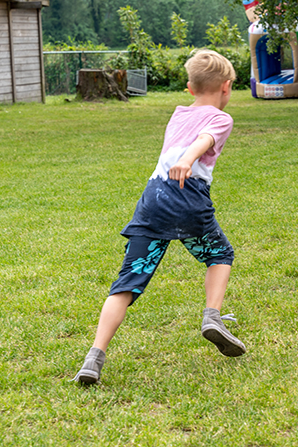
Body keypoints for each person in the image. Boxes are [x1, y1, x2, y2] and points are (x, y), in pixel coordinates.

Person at [74, 50, 245, 384]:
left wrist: (185, 156)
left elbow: (195, 136)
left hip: (154, 200)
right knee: (220, 254)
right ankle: (212, 317)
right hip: (189, 197)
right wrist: (189, 158)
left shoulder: (178, 113)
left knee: (127, 282)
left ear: (189, 87)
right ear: (226, 87)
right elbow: (205, 139)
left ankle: (94, 357)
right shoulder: (222, 118)